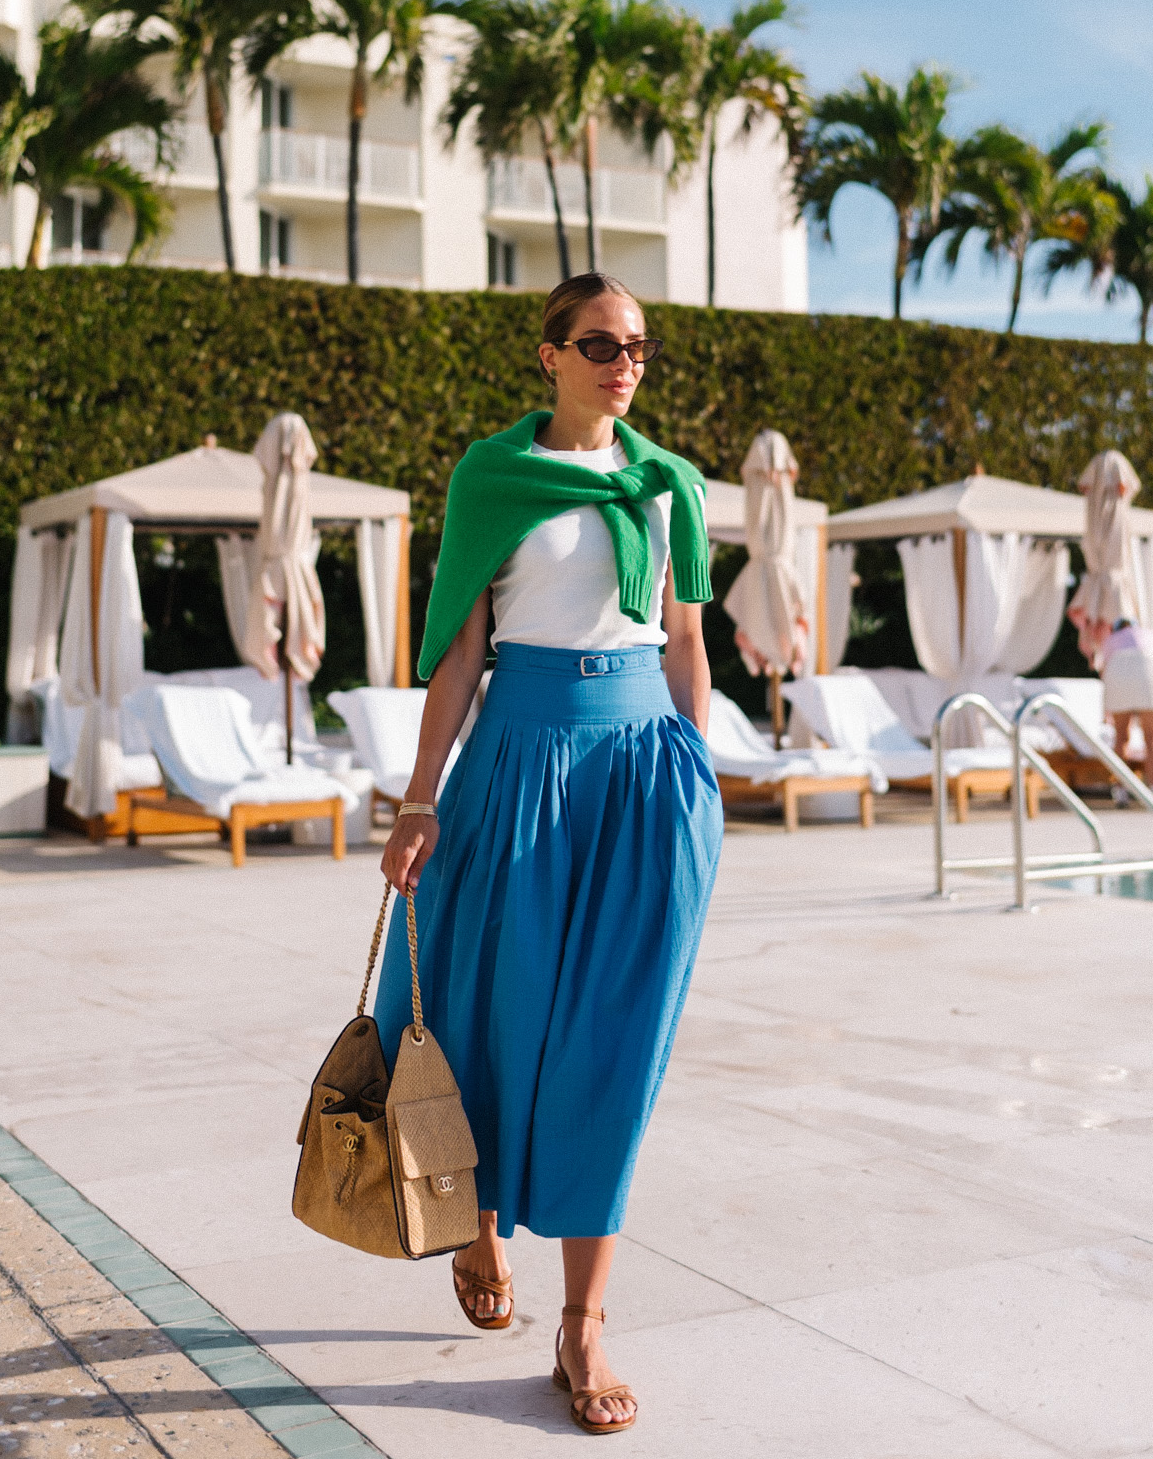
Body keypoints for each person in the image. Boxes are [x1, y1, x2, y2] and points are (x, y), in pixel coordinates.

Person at [373, 271, 722, 1436]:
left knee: (613, 1043)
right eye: (598, 343)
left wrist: (698, 775)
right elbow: (460, 653)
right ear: (548, 356)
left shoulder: (670, 484)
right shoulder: (493, 475)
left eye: (638, 347)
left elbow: (683, 643)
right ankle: (473, 1222)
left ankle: (583, 1325)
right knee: (480, 1010)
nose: (622, 362)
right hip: (519, 759)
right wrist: (419, 803)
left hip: (641, 773)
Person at [1097, 617, 1153, 800]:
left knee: (1121, 737)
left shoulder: (1110, 641)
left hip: (1118, 675)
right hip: (1149, 672)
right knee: (1152, 738)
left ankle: (1121, 791)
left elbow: (1103, 671)